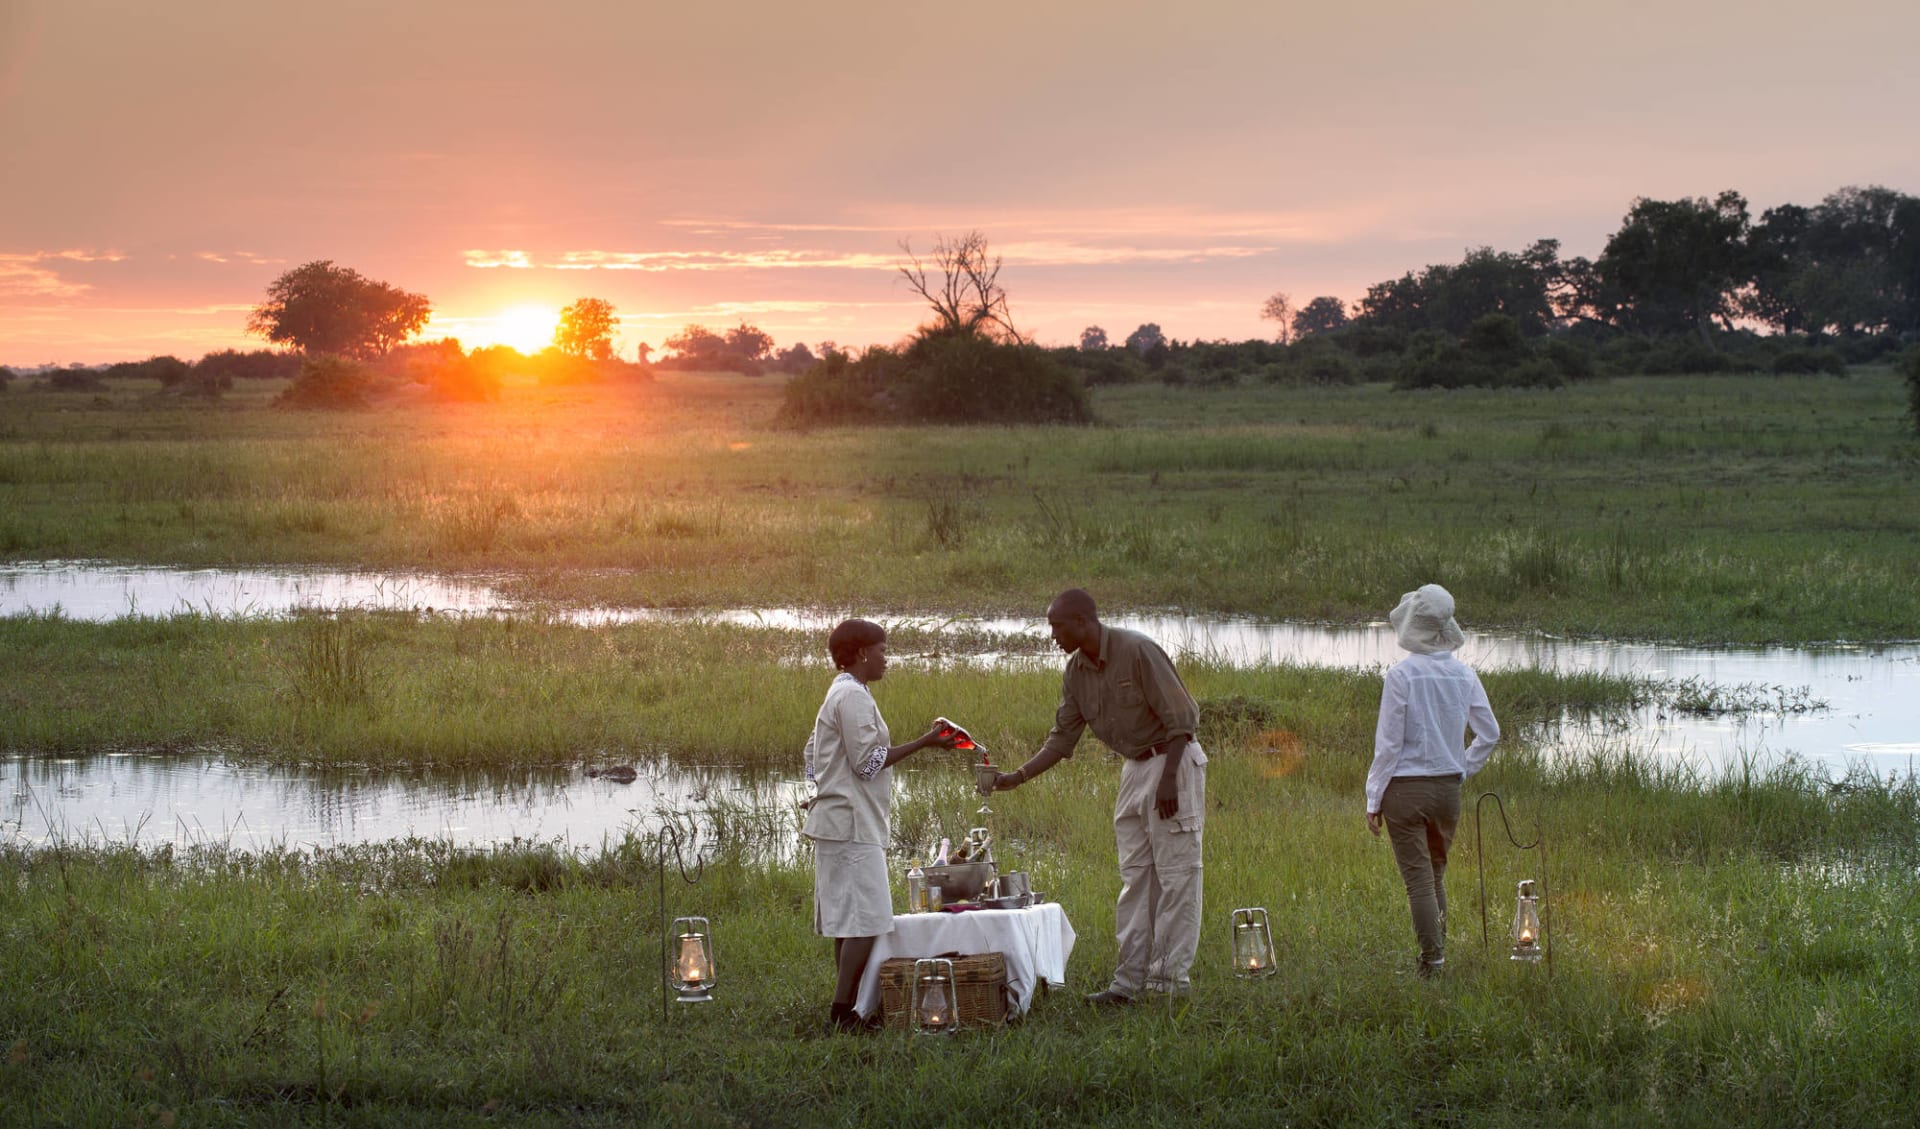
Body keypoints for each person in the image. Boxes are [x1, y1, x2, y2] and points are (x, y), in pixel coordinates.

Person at [985, 588, 1205, 1005]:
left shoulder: (1138, 650)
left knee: (1176, 878)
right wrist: (1016, 777)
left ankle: (1168, 985)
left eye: (1057, 626)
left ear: (1083, 622)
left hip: (1171, 761)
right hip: (1135, 768)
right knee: (1136, 879)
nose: (1052, 635)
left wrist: (1169, 780)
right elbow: (1062, 738)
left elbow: (1182, 721)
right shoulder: (1076, 671)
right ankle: (1128, 984)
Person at [802, 618, 958, 1032]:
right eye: (883, 649)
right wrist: (926, 742)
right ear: (862, 653)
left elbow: (811, 752)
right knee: (868, 920)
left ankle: (849, 1008)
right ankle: (843, 1011)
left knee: (849, 922)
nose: (887, 658)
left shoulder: (842, 692)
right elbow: (868, 763)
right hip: (851, 824)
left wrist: (822, 786)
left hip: (840, 819)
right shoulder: (851, 696)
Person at [1364, 584, 1500, 978]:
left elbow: (1388, 746)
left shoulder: (1401, 676)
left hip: (1405, 792)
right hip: (1448, 791)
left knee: (1418, 882)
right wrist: (1461, 768)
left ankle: (1432, 961)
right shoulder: (1464, 674)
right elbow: (1489, 734)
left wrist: (1374, 799)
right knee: (1435, 874)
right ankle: (1437, 954)